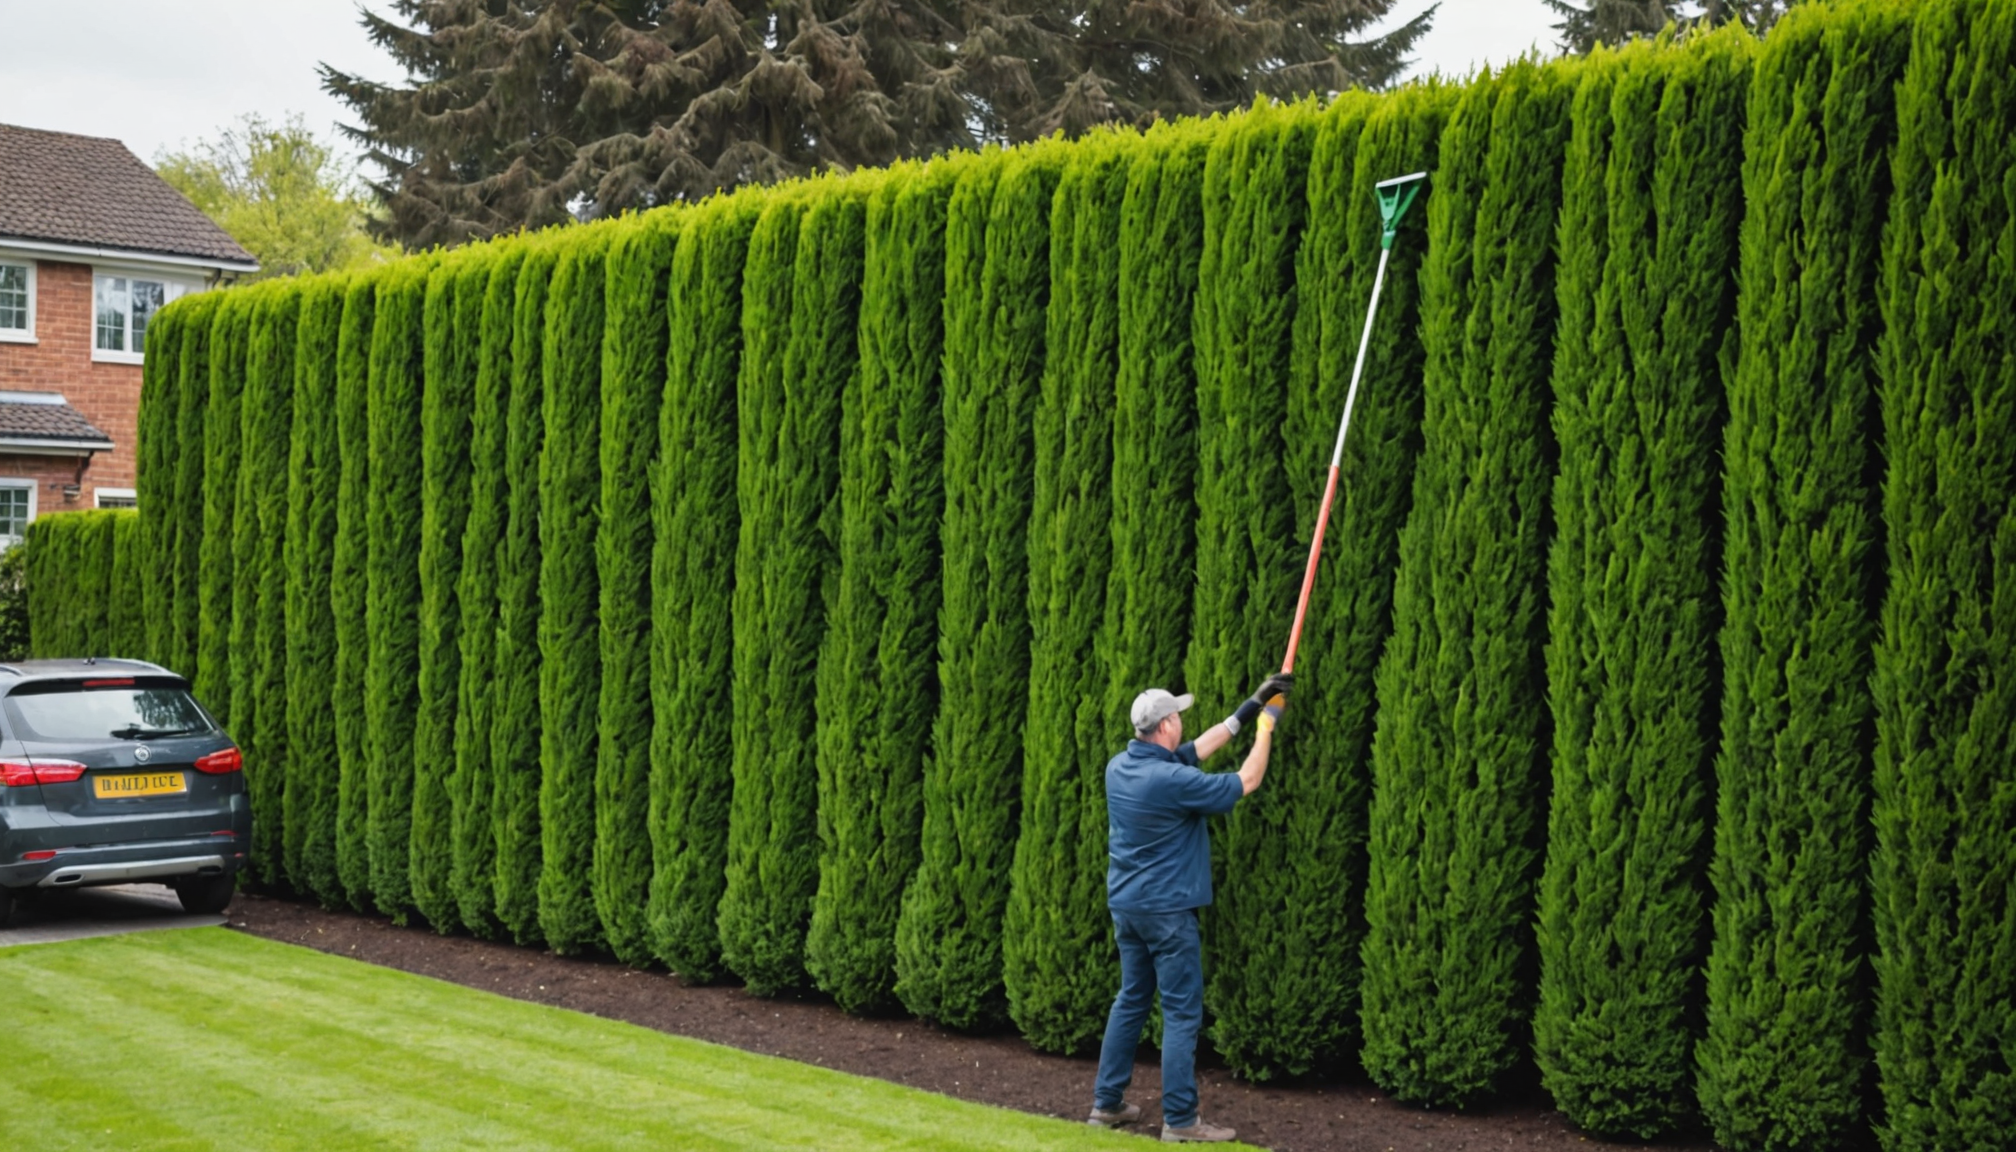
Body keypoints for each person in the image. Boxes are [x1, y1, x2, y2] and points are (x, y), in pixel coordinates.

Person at [1087, 671, 1292, 1143]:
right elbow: (1249, 779)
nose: (1181, 720)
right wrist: (1267, 728)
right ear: (1163, 728)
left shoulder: (1122, 766)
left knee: (1132, 999)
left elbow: (1198, 748)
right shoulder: (1172, 781)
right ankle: (1181, 1121)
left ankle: (1107, 1104)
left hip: (1129, 908)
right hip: (1167, 914)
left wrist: (1250, 706)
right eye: (1176, 715)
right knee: (1181, 1013)